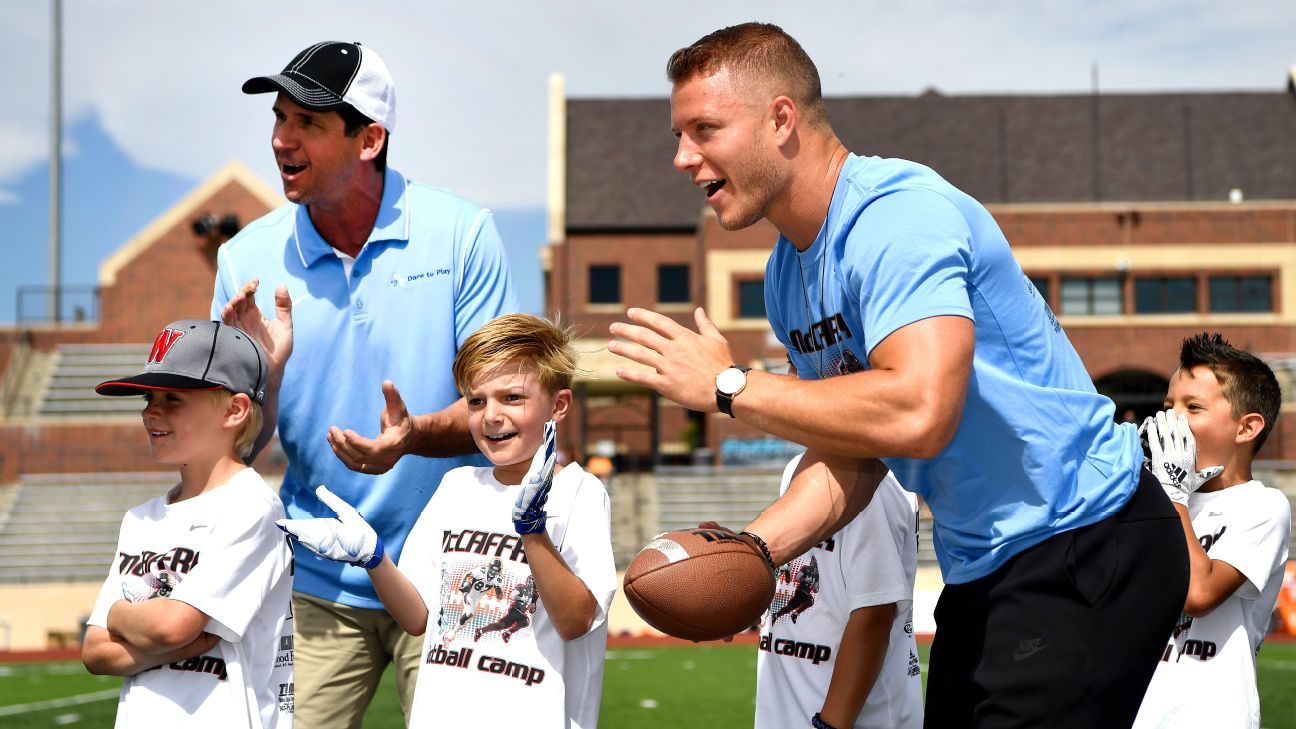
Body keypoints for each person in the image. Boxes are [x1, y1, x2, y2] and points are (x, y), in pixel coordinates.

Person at [608, 22, 1188, 726]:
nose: (681, 156)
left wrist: (730, 386)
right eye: (678, 134)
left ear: (781, 118)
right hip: (985, 564)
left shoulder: (895, 216)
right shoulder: (788, 275)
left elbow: (919, 411)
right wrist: (757, 548)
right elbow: (855, 449)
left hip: (1086, 533)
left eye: (703, 129)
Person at [214, 40, 516, 726]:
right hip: (318, 576)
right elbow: (228, 456)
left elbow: (506, 413)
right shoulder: (244, 260)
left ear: (370, 139)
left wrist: (411, 439)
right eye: (279, 117)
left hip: (458, 566)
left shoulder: (463, 235)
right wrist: (264, 384)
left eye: (308, 123)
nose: (282, 139)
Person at [277, 313, 616, 728]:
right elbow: (417, 617)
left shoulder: (580, 492)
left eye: (512, 398)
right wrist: (373, 557)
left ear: (558, 405)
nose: (490, 415)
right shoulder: (457, 486)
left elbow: (575, 621)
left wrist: (532, 531)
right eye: (476, 401)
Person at [82, 320, 294, 728]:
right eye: (148, 397)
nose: (150, 411)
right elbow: (94, 651)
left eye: (173, 398)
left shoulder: (252, 507)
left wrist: (122, 616)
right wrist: (141, 631)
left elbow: (172, 625)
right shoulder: (139, 518)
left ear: (234, 410)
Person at [1134, 333, 1289, 729]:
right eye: (1168, 406)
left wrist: (1171, 495)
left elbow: (1199, 594)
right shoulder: (1152, 498)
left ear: (1246, 428)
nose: (1171, 419)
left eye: (1193, 407)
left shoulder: (1263, 506)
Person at [756, 453, 923, 729]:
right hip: (790, 708)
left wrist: (830, 726)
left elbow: (874, 615)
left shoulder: (871, 479)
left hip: (854, 719)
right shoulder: (800, 468)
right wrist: (737, 576)